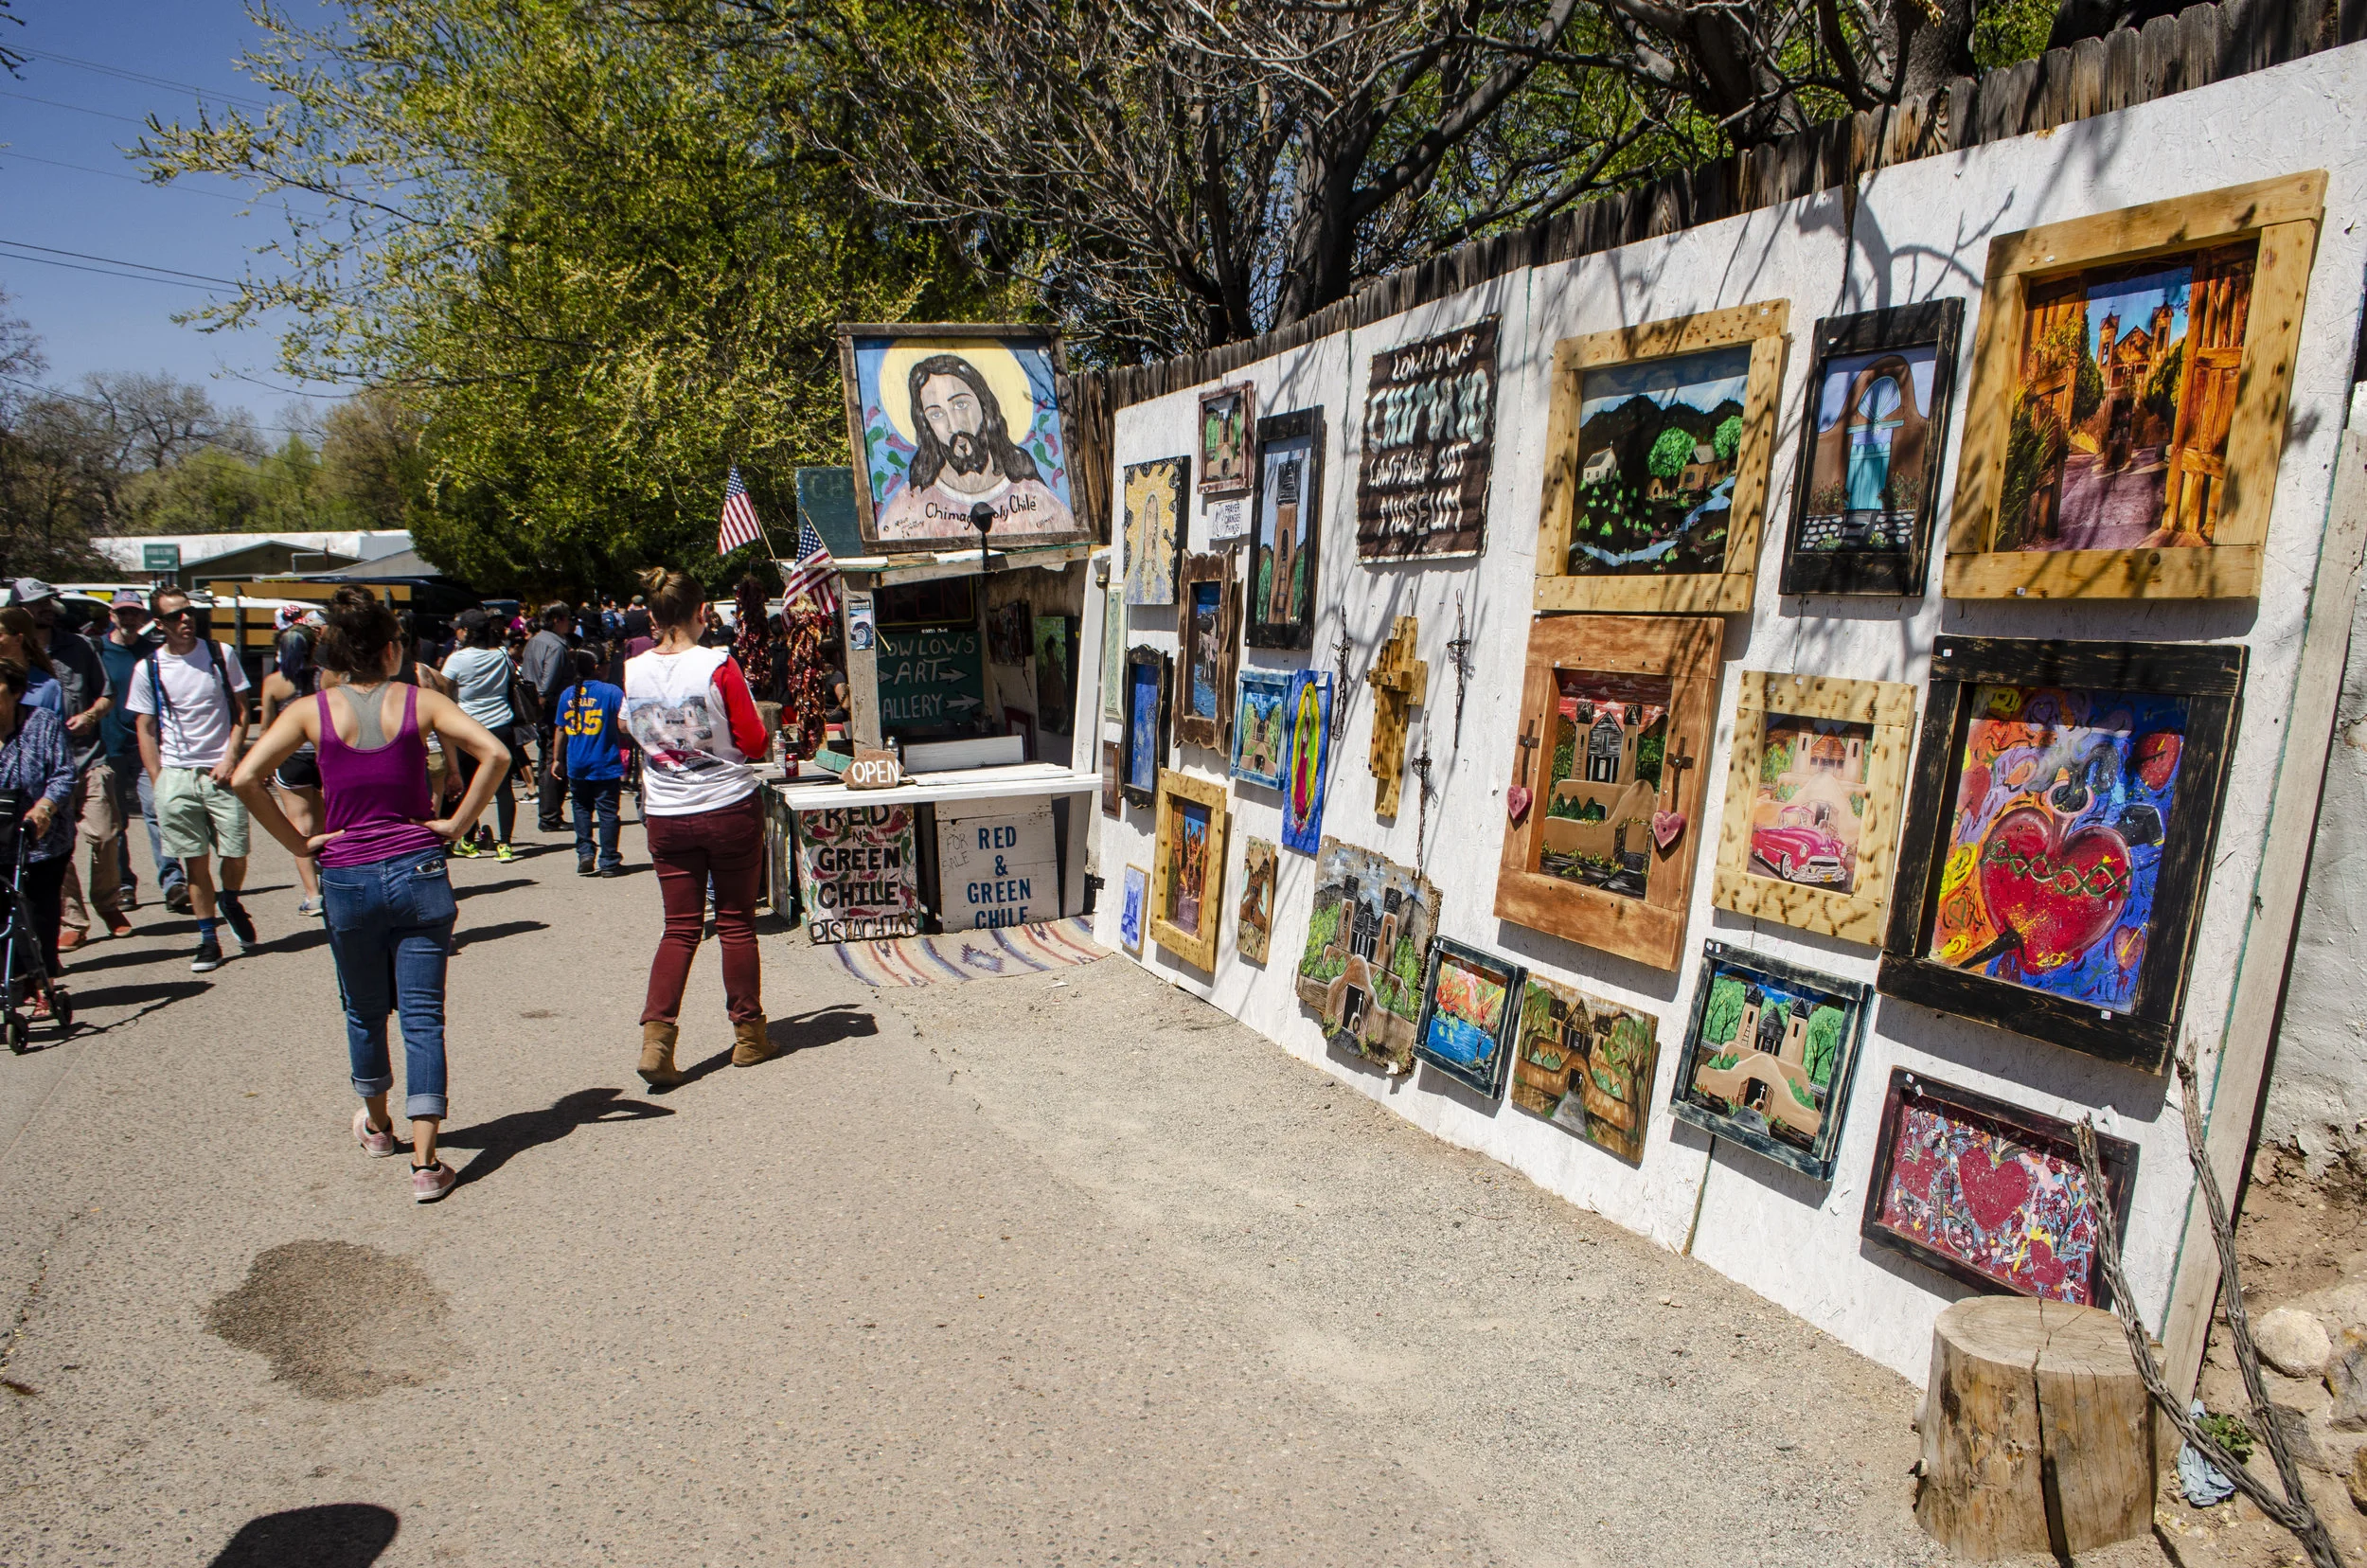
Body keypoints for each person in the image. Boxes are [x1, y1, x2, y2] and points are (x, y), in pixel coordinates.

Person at [233, 586, 510, 1204]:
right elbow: (495, 752)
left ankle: (380, 1126)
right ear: (392, 650)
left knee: (363, 1011)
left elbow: (247, 776)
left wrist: (299, 844)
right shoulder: (417, 703)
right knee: (422, 1018)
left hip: (348, 876)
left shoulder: (311, 712)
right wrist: (458, 824)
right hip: (416, 869)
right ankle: (427, 1162)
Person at [622, 565, 774, 1085]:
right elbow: (754, 743)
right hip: (727, 804)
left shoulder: (633, 670)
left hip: (667, 813)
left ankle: (657, 1040)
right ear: (702, 613)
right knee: (735, 922)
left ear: (653, 614)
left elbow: (631, 730)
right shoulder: (719, 666)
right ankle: (749, 1034)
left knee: (680, 928)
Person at [125, 587, 257, 972]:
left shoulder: (220, 654)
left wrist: (232, 756)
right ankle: (207, 938)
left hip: (221, 771)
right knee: (194, 862)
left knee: (236, 850)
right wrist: (158, 777)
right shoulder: (149, 668)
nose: (186, 619)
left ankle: (229, 899)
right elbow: (145, 727)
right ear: (161, 624)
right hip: (177, 774)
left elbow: (242, 710)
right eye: (176, 615)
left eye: (189, 612)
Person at [12, 583, 124, 951]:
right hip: (39, 768)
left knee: (105, 834)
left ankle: (108, 902)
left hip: (86, 755)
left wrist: (91, 716)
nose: (46, 608)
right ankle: (73, 919)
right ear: (18, 611)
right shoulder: (11, 659)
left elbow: (106, 695)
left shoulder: (79, 647)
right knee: (55, 846)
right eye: (36, 604)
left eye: (48, 602)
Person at [0, 657, 77, 1019]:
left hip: (41, 840)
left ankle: (42, 982)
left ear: (16, 693)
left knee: (36, 915)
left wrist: (45, 807)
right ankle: (12, 984)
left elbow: (63, 774)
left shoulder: (42, 724)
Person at [94, 591, 174, 912]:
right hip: (108, 745)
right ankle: (124, 885)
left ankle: (172, 880)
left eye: (134, 613)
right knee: (116, 823)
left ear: (143, 617)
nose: (128, 618)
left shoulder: (152, 652)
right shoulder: (98, 650)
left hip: (147, 744)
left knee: (158, 811)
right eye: (122, 612)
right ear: (112, 615)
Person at [438, 608, 520, 861]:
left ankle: (467, 838)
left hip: (468, 727)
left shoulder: (458, 659)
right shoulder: (502, 654)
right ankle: (505, 844)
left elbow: (443, 687)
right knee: (503, 786)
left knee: (468, 783)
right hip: (501, 724)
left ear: (467, 632)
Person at [257, 636, 328, 918]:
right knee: (325, 825)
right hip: (324, 756)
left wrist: (261, 766)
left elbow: (266, 729)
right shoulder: (325, 679)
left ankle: (313, 896)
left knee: (300, 828)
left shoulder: (275, 682)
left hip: (291, 758)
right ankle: (333, 885)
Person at [550, 648, 627, 877]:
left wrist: (556, 759)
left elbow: (560, 729)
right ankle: (609, 859)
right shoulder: (611, 692)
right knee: (608, 812)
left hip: (577, 763)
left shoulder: (568, 694)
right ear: (598, 667)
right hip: (605, 762)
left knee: (581, 808)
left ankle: (585, 852)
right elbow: (623, 725)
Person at [519, 602, 574, 835]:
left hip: (537, 707)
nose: (569, 623)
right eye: (566, 618)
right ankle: (550, 815)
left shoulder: (534, 641)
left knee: (546, 758)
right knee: (556, 758)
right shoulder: (556, 646)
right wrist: (543, 704)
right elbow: (547, 682)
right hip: (553, 708)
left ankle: (548, 812)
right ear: (556, 619)